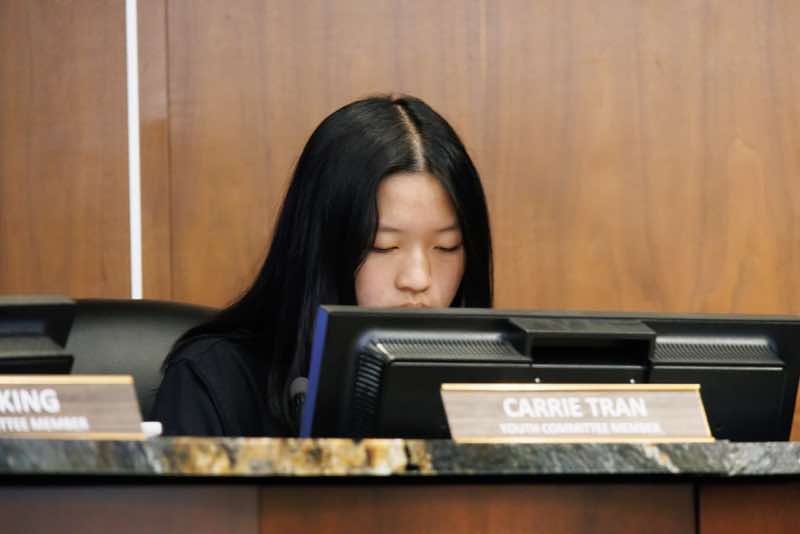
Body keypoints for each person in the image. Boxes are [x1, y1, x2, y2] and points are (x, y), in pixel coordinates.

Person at [150, 94, 493, 436]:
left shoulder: (492, 388)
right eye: (384, 246)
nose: (418, 278)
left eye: (446, 247)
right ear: (323, 246)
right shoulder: (214, 379)